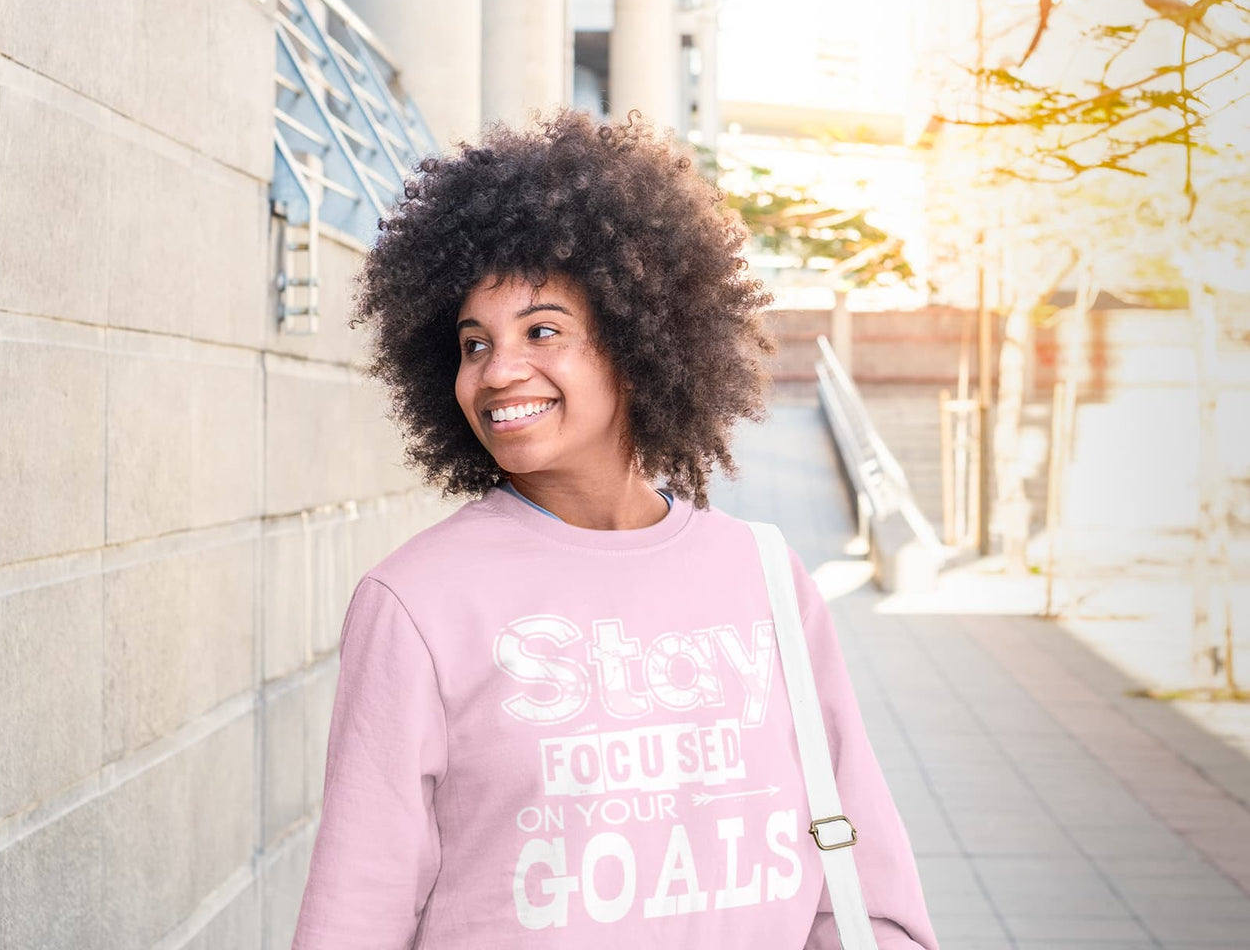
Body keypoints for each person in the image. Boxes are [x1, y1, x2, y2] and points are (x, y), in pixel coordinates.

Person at [290, 110, 938, 949]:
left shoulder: (766, 575)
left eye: (543, 330)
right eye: (473, 342)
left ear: (639, 340)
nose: (499, 371)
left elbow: (865, 885)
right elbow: (357, 910)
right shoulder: (415, 603)